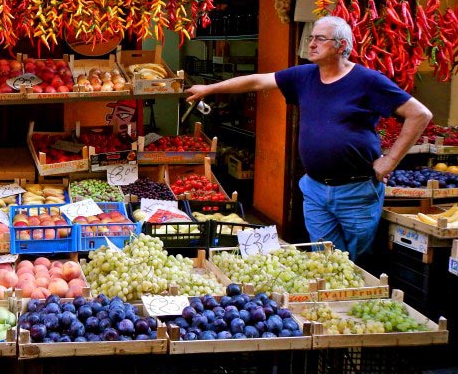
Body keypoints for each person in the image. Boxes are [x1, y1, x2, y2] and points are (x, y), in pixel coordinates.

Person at [185, 15, 432, 260]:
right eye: (311, 38)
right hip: (315, 188)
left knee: (358, 261)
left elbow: (420, 114)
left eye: (320, 39)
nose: (311, 44)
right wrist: (209, 89)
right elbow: (257, 81)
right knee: (324, 258)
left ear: (341, 45)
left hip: (356, 190)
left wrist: (389, 161)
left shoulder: (367, 81)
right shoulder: (304, 76)